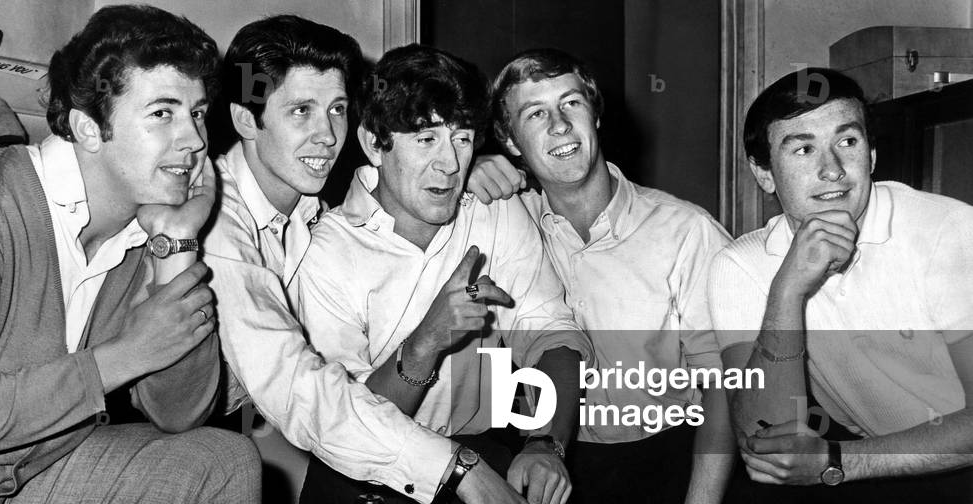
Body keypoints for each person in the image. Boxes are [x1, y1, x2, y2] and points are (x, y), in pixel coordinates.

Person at [202, 16, 528, 504]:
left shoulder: (307, 200)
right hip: (193, 438)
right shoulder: (216, 225)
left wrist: (462, 163)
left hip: (281, 425)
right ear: (247, 119)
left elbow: (391, 176)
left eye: (336, 109)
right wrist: (457, 467)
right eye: (300, 111)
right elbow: (292, 384)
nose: (328, 136)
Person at [0, 5, 261, 503]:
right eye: (163, 113)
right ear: (89, 128)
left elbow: (177, 414)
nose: (196, 140)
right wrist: (120, 358)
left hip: (36, 472)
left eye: (197, 113)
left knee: (220, 462)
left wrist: (177, 246)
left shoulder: (142, 229)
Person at [294, 44, 594, 504]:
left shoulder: (494, 214)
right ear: (374, 143)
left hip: (475, 448)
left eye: (462, 138)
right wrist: (426, 341)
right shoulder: (325, 251)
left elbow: (550, 333)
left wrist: (544, 443)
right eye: (425, 138)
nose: (450, 164)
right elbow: (347, 423)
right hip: (360, 474)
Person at [467, 48, 736, 504]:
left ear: (595, 114)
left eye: (571, 103)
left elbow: (725, 387)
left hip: (671, 460)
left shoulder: (687, 231)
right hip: (539, 460)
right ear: (510, 141)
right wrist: (466, 170)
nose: (559, 125)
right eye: (536, 114)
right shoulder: (501, 225)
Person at [708, 67, 973, 503]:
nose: (831, 170)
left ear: (870, 156)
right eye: (803, 149)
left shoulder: (948, 230)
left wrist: (840, 461)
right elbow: (767, 443)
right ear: (764, 174)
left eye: (846, 142)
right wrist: (787, 291)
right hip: (889, 470)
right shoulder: (739, 266)